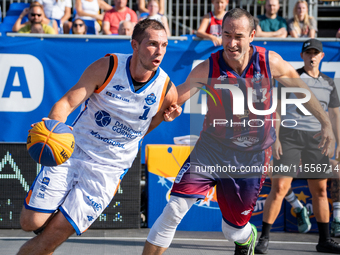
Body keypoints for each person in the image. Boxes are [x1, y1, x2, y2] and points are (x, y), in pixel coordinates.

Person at [142, 9, 335, 255]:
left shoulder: (269, 62)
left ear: (252, 35)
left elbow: (302, 91)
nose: (231, 43)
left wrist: (326, 124)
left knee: (233, 230)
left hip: (251, 157)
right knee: (174, 210)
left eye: (239, 36)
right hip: (210, 150)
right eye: (226, 35)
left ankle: (247, 237)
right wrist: (157, 117)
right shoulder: (209, 67)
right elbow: (176, 98)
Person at [16, 19, 181, 255]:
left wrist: (164, 119)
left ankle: (54, 226)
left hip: (108, 169)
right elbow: (66, 102)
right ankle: (51, 213)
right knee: (29, 222)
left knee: (50, 240)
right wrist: (52, 126)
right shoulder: (108, 67)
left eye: (164, 45)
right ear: (134, 44)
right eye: (153, 44)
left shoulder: (166, 89)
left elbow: (144, 129)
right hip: (75, 151)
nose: (160, 51)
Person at [255, 38, 340, 254]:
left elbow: (335, 115)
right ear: (302, 56)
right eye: (308, 52)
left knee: (320, 189)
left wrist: (338, 144)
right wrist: (276, 139)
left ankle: (324, 240)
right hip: (291, 137)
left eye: (316, 53)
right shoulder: (291, 78)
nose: (312, 56)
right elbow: (277, 110)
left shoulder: (329, 83)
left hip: (317, 140)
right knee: (280, 187)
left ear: (322, 56)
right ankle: (264, 238)